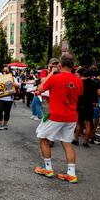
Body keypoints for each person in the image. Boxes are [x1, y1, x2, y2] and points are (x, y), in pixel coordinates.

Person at [34, 54, 83, 184]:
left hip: (56, 115)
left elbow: (40, 89)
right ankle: (71, 174)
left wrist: (51, 74)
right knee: (67, 143)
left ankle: (48, 169)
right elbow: (78, 95)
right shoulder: (78, 80)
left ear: (60, 65)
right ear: (73, 66)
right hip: (71, 116)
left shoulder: (55, 78)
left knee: (43, 138)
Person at [73, 68, 97, 147]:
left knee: (79, 123)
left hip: (80, 105)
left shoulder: (79, 82)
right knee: (88, 124)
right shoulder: (93, 83)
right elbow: (95, 95)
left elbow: (76, 94)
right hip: (89, 105)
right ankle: (85, 142)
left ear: (82, 75)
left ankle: (76, 140)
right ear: (89, 76)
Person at [0, 66, 20, 130]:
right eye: (3, 70)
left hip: (9, 99)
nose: (4, 71)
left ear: (9, 71)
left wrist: (13, 84)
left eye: (6, 70)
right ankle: (0, 125)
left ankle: (5, 125)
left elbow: (18, 85)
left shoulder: (12, 78)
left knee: (7, 112)